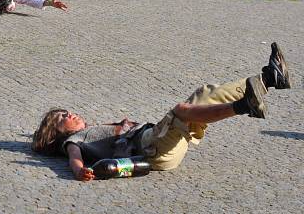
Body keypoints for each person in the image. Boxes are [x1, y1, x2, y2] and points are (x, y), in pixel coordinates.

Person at [31, 43, 291, 180]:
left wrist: (119, 125)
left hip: (155, 143)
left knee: (203, 95)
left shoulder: (88, 132)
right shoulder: (73, 142)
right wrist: (79, 171)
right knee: (181, 111)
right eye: (62, 119)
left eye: (66, 111)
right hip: (150, 150)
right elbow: (75, 158)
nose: (69, 115)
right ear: (58, 133)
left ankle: (269, 78)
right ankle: (245, 105)